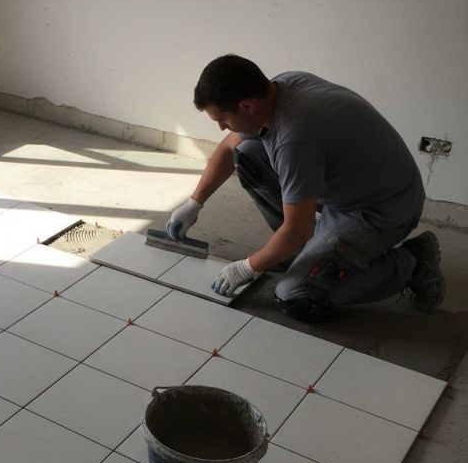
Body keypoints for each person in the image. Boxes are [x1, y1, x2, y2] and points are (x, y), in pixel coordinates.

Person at [167, 54, 444, 321]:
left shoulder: (295, 137)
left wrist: (246, 268)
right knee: (247, 154)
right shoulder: (279, 87)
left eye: (222, 120)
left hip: (379, 211)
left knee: (297, 295)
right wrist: (195, 203)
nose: (221, 128)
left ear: (247, 106)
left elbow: (298, 230)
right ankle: (302, 253)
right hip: (352, 181)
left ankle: (412, 262)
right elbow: (230, 148)